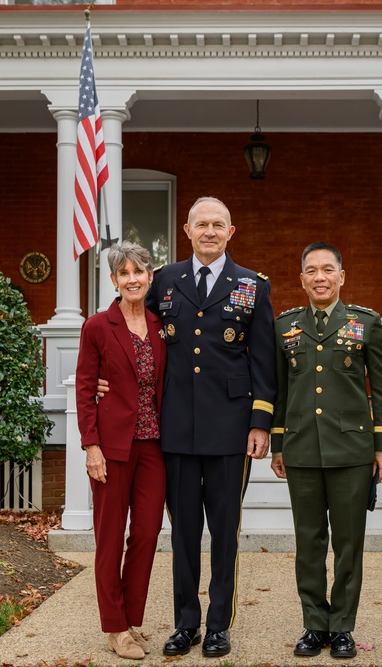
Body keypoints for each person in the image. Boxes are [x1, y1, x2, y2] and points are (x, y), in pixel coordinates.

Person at [145, 196, 276, 658]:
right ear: (187, 230)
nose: (209, 231)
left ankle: (219, 624)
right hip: (176, 428)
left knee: (224, 532)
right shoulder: (162, 280)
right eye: (201, 224)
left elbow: (264, 360)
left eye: (218, 225)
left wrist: (261, 422)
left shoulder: (252, 286)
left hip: (231, 429)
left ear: (231, 232)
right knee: (182, 534)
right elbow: (129, 330)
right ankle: (186, 623)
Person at [269, 241, 382, 660]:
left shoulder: (366, 323)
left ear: (342, 276)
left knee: (348, 544)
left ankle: (341, 627)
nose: (319, 277)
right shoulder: (284, 326)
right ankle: (313, 624)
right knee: (308, 543)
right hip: (302, 449)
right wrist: (278, 444)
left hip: (352, 451)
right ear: (301, 278)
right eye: (311, 270)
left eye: (327, 270)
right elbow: (281, 390)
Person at [75, 242, 167, 661]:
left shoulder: (160, 324)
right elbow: (83, 388)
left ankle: (132, 618)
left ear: (150, 277)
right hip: (111, 448)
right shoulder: (98, 326)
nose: (132, 279)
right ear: (113, 280)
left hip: (154, 446)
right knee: (109, 539)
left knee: (147, 534)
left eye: (139, 271)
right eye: (123, 273)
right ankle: (115, 627)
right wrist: (91, 445)